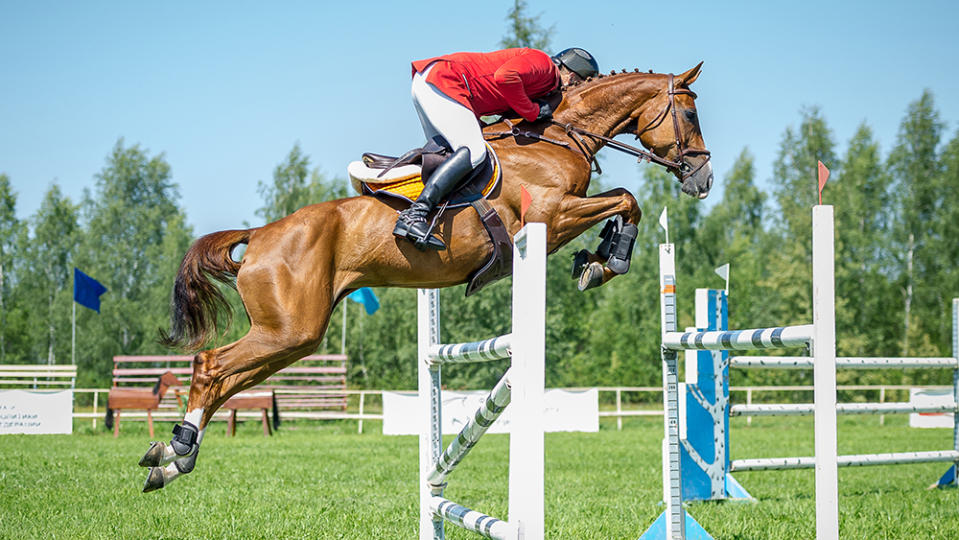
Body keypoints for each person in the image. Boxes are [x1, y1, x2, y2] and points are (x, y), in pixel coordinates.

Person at [393, 47, 600, 250]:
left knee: (449, 156)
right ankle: (414, 215)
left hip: (433, 81)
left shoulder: (543, 79)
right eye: (575, 86)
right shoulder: (545, 66)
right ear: (572, 78)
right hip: (444, 81)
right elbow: (505, 76)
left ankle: (424, 214)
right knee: (473, 152)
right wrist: (533, 111)